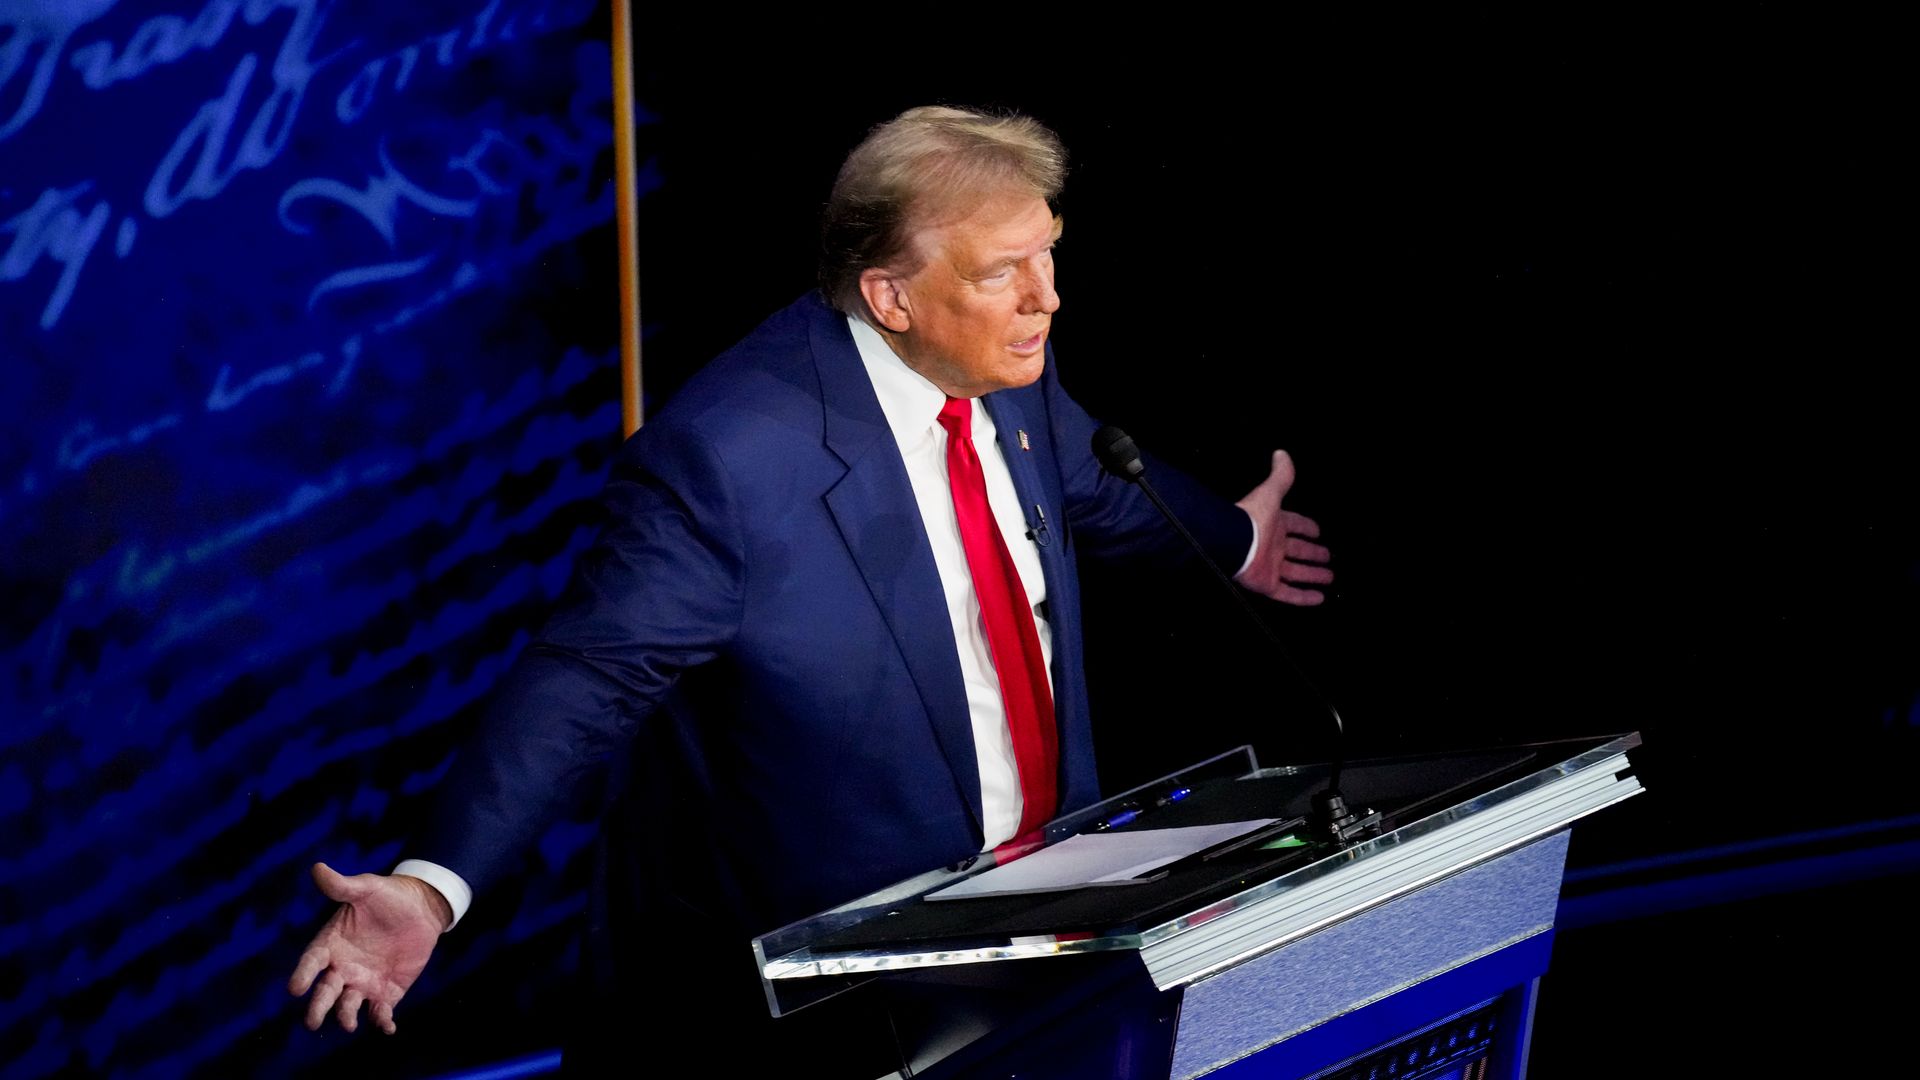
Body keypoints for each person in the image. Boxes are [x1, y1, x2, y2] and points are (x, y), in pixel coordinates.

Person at [288, 105, 1332, 1067]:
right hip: (821, 1010)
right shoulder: (730, 462)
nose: (1046, 299)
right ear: (891, 295)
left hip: (1048, 941)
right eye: (1003, 272)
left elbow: (1094, 484)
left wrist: (1236, 538)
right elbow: (584, 683)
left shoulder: (1006, 374)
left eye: (1049, 254)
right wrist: (431, 888)